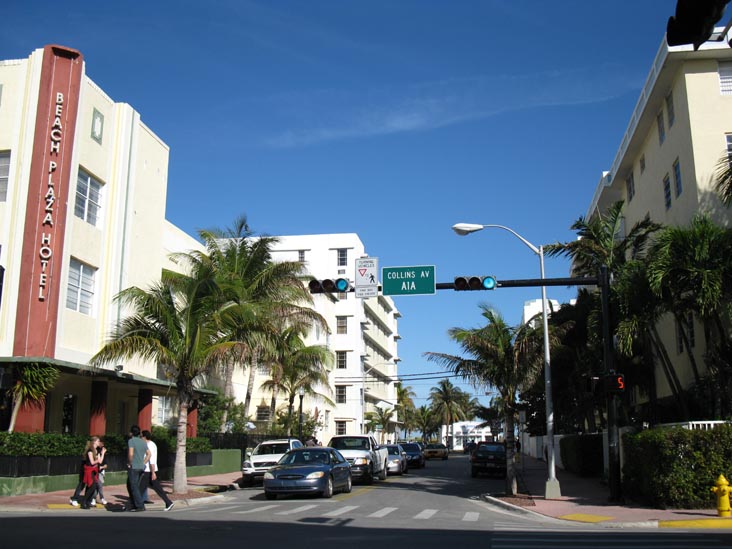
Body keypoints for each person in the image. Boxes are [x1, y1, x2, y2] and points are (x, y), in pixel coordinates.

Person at [140, 430, 175, 511]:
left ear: (145, 437)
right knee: (154, 488)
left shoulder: (151, 445)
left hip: (148, 471)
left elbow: (152, 460)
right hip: (147, 470)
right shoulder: (147, 444)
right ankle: (168, 502)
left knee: (140, 488)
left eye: (141, 436)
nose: (140, 438)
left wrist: (153, 473)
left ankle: (131, 504)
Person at [125, 424, 150, 512]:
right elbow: (148, 454)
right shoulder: (143, 442)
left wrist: (130, 463)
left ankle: (140, 505)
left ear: (132, 433)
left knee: (134, 486)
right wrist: (143, 462)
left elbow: (131, 453)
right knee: (130, 485)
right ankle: (133, 503)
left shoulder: (131, 441)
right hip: (141, 467)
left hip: (134, 467)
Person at [79, 436, 104, 509]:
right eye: (98, 441)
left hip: (94, 470)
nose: (99, 442)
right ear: (94, 442)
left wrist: (102, 453)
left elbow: (101, 461)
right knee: (92, 486)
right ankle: (84, 501)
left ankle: (87, 502)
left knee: (91, 486)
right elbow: (92, 462)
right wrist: (98, 460)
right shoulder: (90, 451)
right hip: (89, 470)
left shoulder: (96, 450)